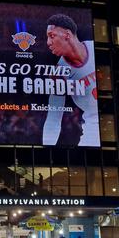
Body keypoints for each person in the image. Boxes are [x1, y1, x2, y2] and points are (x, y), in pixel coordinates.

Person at [42, 14, 100, 147]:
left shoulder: (96, 49)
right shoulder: (58, 73)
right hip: (94, 131)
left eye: (52, 36)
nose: (48, 42)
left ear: (67, 35)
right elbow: (53, 119)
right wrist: (46, 150)